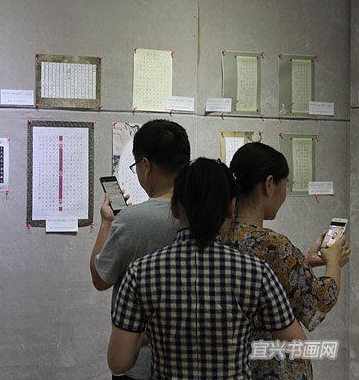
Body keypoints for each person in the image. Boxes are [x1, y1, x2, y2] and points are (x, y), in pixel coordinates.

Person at [107, 158, 306, 379]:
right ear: (231, 208)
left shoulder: (139, 273)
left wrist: (144, 336)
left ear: (174, 208)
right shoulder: (257, 272)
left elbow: (118, 363)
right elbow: (298, 350)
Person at [225, 142, 350, 379]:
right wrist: (333, 261)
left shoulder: (221, 238)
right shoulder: (273, 245)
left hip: (235, 365)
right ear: (269, 184)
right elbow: (317, 302)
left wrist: (303, 262)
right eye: (286, 184)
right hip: (274, 366)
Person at [90, 119, 190, 380]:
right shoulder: (203, 218)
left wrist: (106, 223)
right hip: (193, 362)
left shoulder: (131, 220)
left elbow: (100, 279)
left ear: (146, 165)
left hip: (139, 362)